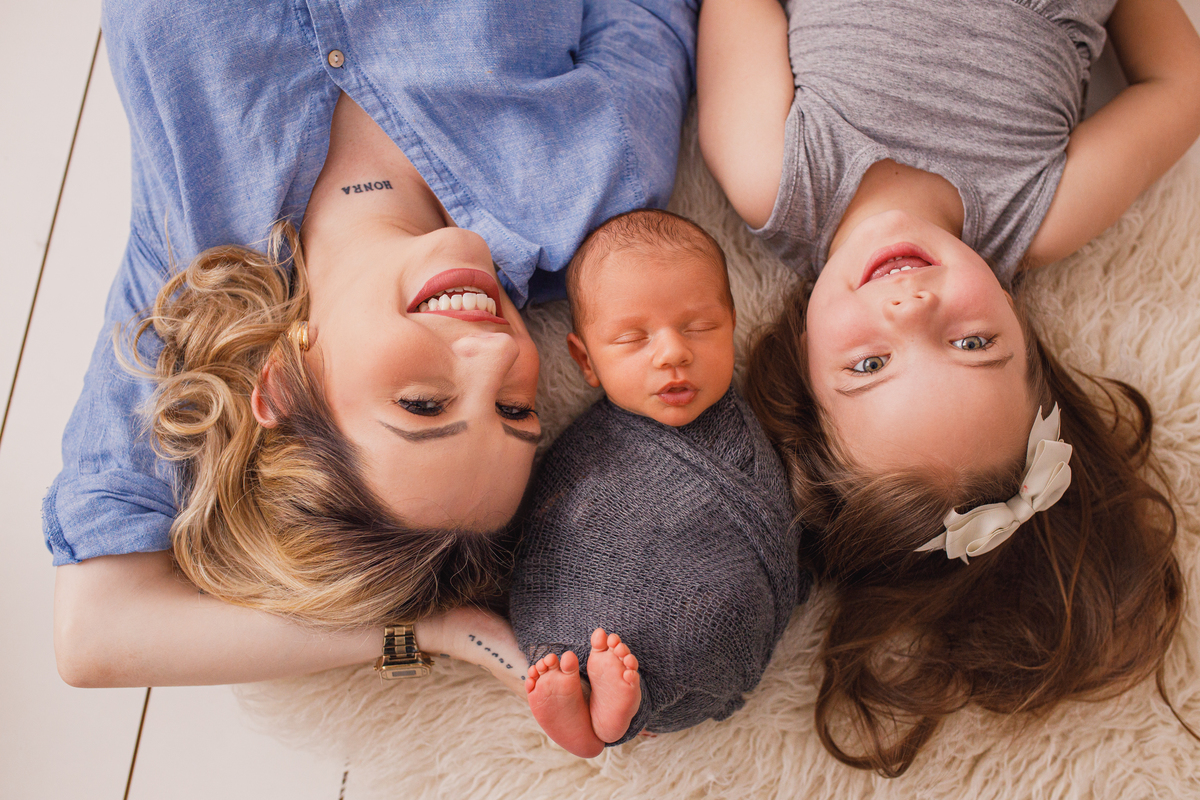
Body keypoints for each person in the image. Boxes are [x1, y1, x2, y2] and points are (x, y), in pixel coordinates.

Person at [48, 0, 697, 689]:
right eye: (515, 410)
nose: (498, 356)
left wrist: (427, 632)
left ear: (282, 387)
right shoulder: (602, 178)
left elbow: (97, 633)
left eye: (424, 404)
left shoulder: (188, 272)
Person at [697, 0, 1200, 777]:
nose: (911, 307)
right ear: (1025, 331)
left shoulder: (772, 169)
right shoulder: (1044, 213)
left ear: (803, 369)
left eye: (868, 366)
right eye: (972, 344)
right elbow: (1180, 87)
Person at [508, 210, 805, 757]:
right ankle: (592, 702)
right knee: (567, 614)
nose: (672, 352)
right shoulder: (587, 448)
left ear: (733, 325)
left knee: (708, 612)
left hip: (705, 631)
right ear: (585, 360)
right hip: (592, 613)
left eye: (699, 327)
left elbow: (780, 524)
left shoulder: (746, 428)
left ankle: (619, 707)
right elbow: (553, 518)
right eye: (631, 338)